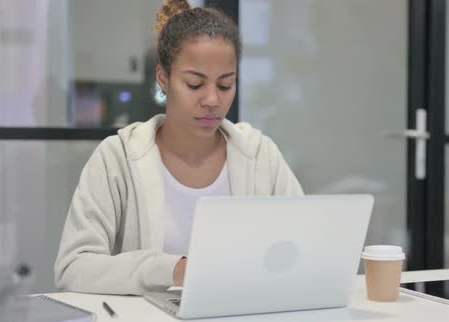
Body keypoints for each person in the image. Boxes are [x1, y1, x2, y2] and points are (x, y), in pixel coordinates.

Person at [54, 0, 303, 296]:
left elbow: (303, 249)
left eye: (225, 85)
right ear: (163, 78)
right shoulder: (118, 158)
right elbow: (73, 268)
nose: (212, 99)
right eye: (195, 84)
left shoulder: (260, 155)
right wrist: (173, 269)